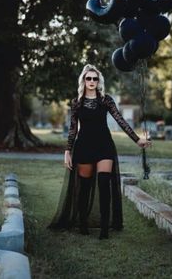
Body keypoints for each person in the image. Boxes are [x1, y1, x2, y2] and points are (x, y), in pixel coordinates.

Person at [49, 64, 151, 239]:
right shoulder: (77, 103)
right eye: (88, 78)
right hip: (84, 146)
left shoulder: (106, 100)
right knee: (85, 187)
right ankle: (82, 223)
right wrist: (67, 151)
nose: (92, 81)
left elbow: (121, 121)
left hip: (104, 145)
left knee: (104, 185)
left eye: (95, 78)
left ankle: (105, 227)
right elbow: (73, 129)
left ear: (99, 81)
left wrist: (137, 140)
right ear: (83, 80)